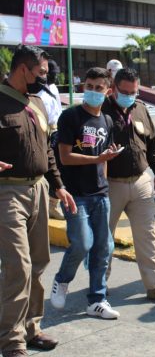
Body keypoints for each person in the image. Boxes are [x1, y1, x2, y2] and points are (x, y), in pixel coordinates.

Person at [0, 44, 76, 357]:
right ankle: (11, 341)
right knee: (18, 266)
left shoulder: (38, 104)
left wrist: (58, 186)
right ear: (23, 69)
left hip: (39, 190)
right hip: (7, 193)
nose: (44, 79)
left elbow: (46, 149)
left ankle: (32, 327)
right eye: (40, 72)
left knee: (39, 262)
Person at [102, 68, 155, 301]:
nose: (129, 96)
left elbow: (152, 144)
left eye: (133, 92)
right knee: (103, 239)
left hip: (141, 181)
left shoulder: (141, 109)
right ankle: (99, 286)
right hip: (109, 185)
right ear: (113, 88)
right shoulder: (101, 111)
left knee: (147, 235)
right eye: (124, 92)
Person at [50, 67, 121, 319]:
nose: (91, 91)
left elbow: (105, 159)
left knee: (104, 248)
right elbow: (65, 157)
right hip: (75, 194)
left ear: (108, 91)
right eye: (88, 86)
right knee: (82, 243)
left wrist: (104, 169)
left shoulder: (108, 121)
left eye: (98, 88)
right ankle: (62, 279)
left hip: (100, 194)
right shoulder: (70, 117)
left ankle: (96, 300)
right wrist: (98, 159)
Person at [37, 59, 64, 220]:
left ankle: (53, 203)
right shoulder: (37, 91)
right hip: (44, 132)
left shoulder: (52, 88)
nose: (54, 76)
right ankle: (47, 204)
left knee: (58, 169)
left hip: (56, 131)